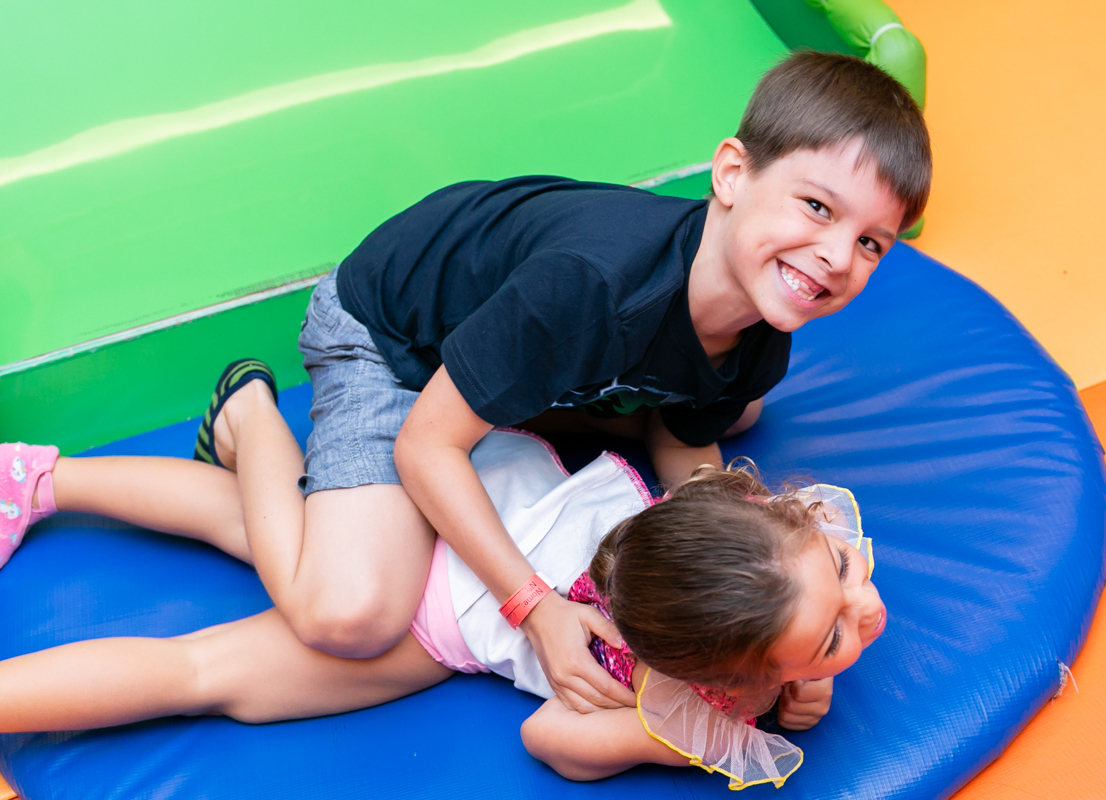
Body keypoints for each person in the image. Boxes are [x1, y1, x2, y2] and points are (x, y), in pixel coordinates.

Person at [3, 50, 929, 720]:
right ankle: (250, 414)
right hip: (396, 344)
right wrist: (536, 609)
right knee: (347, 609)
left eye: (870, 243)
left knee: (740, 412)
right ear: (731, 174)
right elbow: (425, 444)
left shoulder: (761, 329)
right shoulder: (590, 289)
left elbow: (688, 441)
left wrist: (761, 612)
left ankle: (79, 476)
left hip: (515, 379)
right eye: (816, 206)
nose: (835, 257)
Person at [0, 382, 883, 789]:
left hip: (460, 546)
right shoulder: (701, 668)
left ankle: (49, 479)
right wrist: (669, 735)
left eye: (835, 629)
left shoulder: (763, 565)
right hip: (442, 576)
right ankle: (252, 421)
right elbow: (551, 738)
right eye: (844, 577)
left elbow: (556, 733)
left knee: (244, 569)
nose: (862, 596)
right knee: (212, 664)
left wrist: (808, 668)